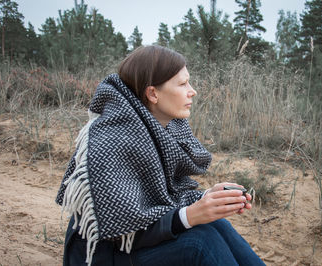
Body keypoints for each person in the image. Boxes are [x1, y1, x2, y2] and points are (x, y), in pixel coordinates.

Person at [56, 45, 265, 266]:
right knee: (200, 242)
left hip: (130, 245)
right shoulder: (112, 139)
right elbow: (122, 230)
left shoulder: (162, 128)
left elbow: (161, 199)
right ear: (153, 93)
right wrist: (191, 215)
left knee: (217, 224)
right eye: (183, 84)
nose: (192, 90)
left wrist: (206, 198)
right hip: (103, 254)